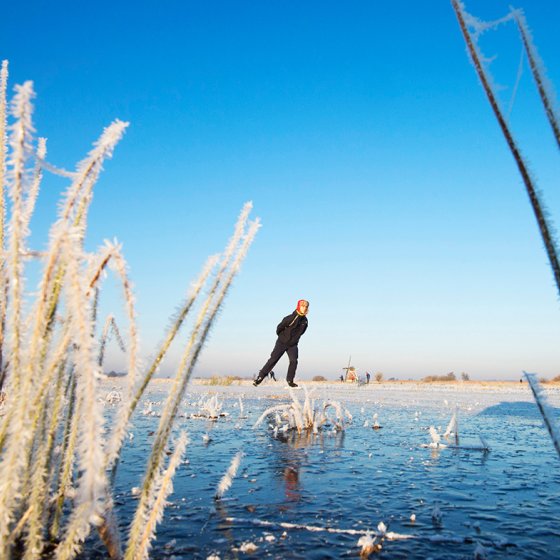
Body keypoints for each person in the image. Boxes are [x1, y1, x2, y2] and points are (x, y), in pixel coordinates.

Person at [254, 299, 309, 388]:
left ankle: (290, 381)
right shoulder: (290, 318)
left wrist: (294, 340)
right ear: (299, 306)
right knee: (273, 359)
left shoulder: (305, 321)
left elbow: (302, 332)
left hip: (293, 345)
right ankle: (260, 377)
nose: (304, 308)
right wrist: (283, 337)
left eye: (306, 306)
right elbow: (279, 328)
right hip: (282, 343)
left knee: (294, 361)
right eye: (303, 306)